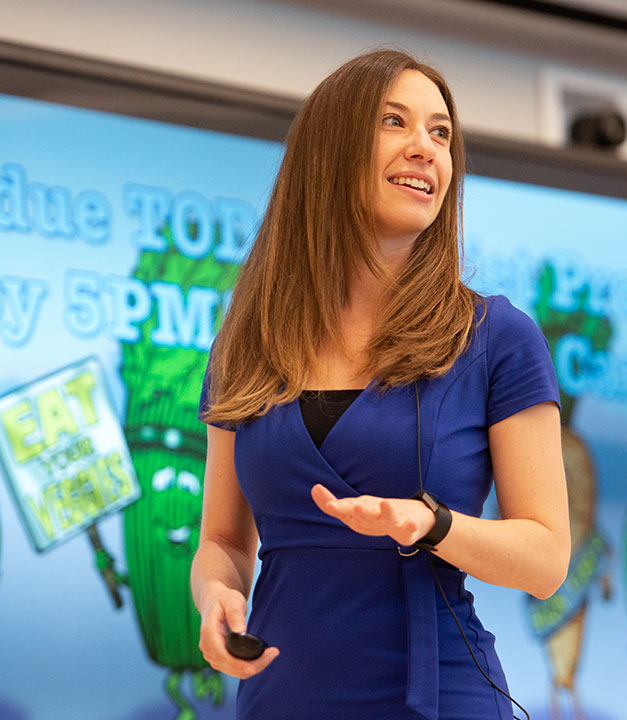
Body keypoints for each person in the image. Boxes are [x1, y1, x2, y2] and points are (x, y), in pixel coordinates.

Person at [191, 49, 569, 720]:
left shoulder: (496, 338)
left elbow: (545, 559)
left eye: (441, 133)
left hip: (436, 697)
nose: (425, 148)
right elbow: (223, 542)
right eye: (395, 122)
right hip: (281, 695)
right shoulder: (246, 343)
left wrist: (433, 523)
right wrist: (217, 593)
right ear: (330, 152)